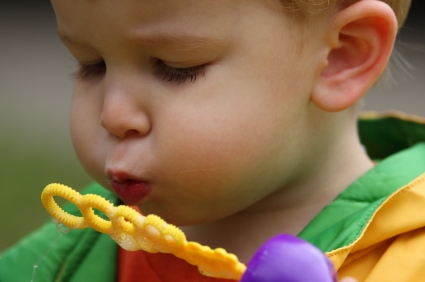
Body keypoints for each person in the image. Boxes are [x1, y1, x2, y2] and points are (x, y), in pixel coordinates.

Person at [1, 0, 424, 281]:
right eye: (90, 64)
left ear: (341, 56)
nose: (113, 115)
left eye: (174, 67)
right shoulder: (79, 248)